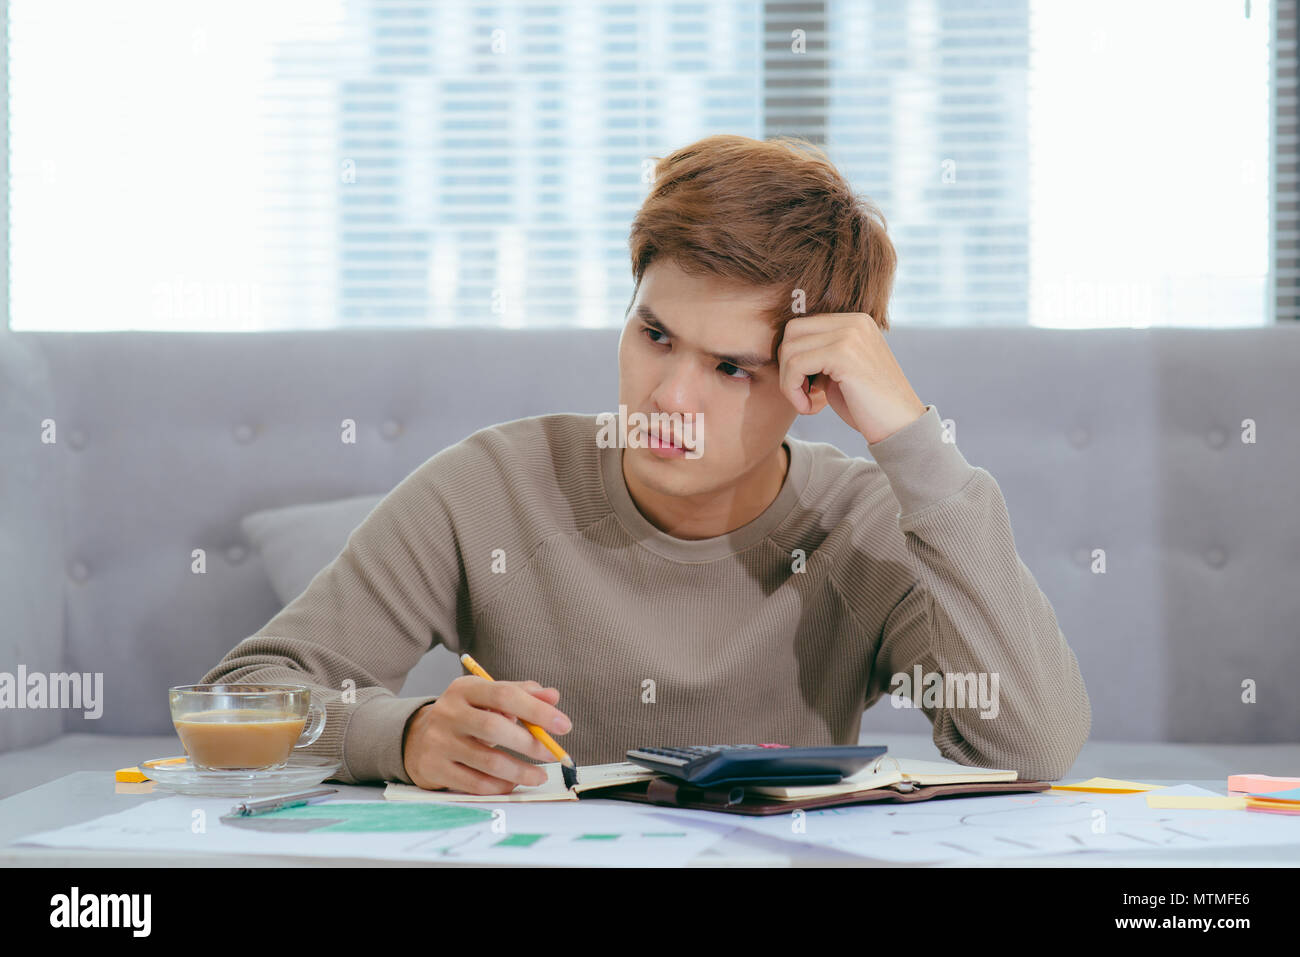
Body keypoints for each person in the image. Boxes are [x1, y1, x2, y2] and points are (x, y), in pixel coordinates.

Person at [200, 133, 1090, 793]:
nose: (667, 398)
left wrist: (911, 440)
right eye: (654, 334)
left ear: (812, 381)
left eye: (730, 367)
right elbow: (242, 695)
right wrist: (401, 735)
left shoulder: (862, 526)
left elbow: (1031, 746)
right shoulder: (491, 486)